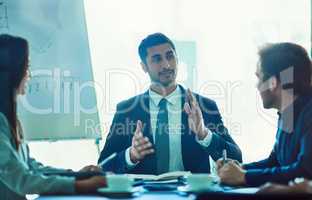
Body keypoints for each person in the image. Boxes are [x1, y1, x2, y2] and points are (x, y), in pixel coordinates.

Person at [98, 32, 242, 174]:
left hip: (191, 194)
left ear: (177, 59)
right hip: (144, 195)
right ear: (144, 67)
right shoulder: (126, 110)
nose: (166, 65)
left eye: (170, 56)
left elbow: (236, 158)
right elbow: (102, 167)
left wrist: (204, 134)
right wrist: (131, 155)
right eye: (156, 59)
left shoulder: (204, 106)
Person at [0, 34, 106, 200]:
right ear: (12, 72)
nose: (29, 75)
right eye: (26, 67)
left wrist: (77, 176)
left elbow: (31, 168)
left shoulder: (10, 119)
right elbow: (23, 180)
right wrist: (80, 185)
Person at [217, 42, 312, 187]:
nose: (257, 86)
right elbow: (275, 162)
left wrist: (245, 177)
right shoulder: (288, 114)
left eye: (259, 77)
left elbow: (305, 171)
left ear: (273, 82)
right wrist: (240, 169)